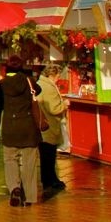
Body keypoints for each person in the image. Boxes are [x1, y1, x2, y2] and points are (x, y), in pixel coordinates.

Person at [0, 56, 42, 207]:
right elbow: (38, 90)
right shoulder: (29, 81)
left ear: (7, 68)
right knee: (29, 162)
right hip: (28, 126)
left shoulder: (1, 85)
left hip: (10, 127)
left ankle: (14, 188)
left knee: (10, 159)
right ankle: (29, 197)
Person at [36, 64, 68, 198]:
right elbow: (54, 109)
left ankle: (49, 179)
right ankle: (50, 180)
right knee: (49, 155)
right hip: (49, 125)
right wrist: (64, 105)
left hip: (43, 125)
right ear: (52, 75)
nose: (58, 78)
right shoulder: (48, 87)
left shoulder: (40, 84)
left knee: (46, 155)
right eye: (58, 75)